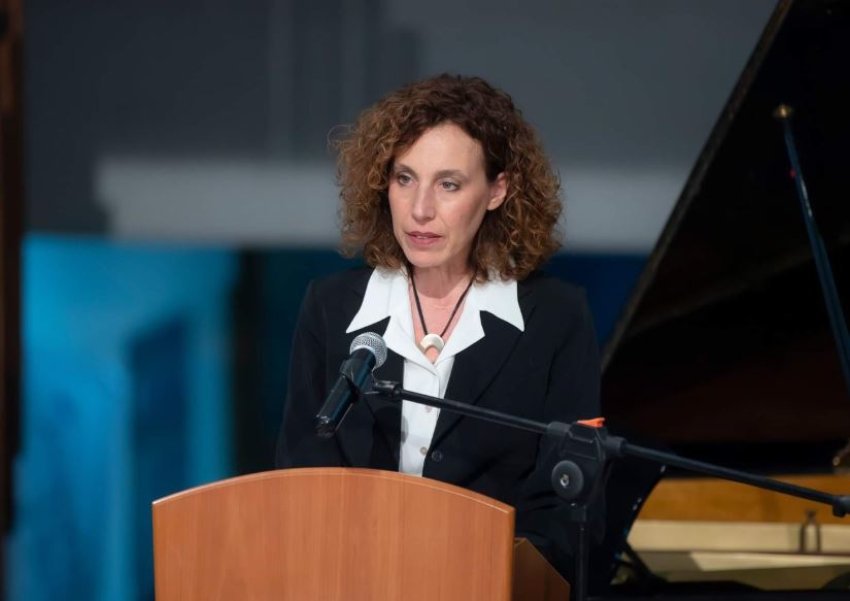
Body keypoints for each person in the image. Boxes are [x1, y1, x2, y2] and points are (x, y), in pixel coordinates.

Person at [276, 73, 601, 579]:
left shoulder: (555, 317)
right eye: (404, 179)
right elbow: (300, 477)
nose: (420, 209)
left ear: (497, 191)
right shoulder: (331, 307)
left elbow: (564, 510)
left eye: (448, 184)